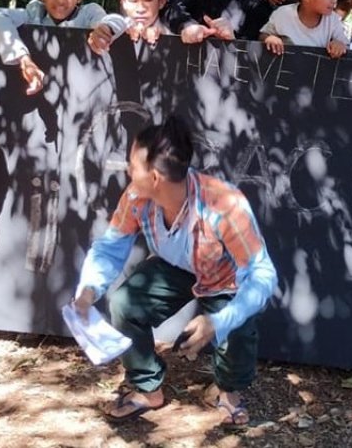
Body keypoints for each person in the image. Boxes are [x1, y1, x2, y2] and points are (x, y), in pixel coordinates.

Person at [72, 117, 278, 426]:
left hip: (225, 279)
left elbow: (263, 274)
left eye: (132, 165)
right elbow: (110, 246)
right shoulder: (136, 197)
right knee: (124, 304)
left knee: (237, 331)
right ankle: (147, 388)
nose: (128, 171)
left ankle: (229, 392)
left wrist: (220, 320)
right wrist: (88, 289)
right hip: (175, 266)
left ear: (154, 177)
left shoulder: (224, 203)